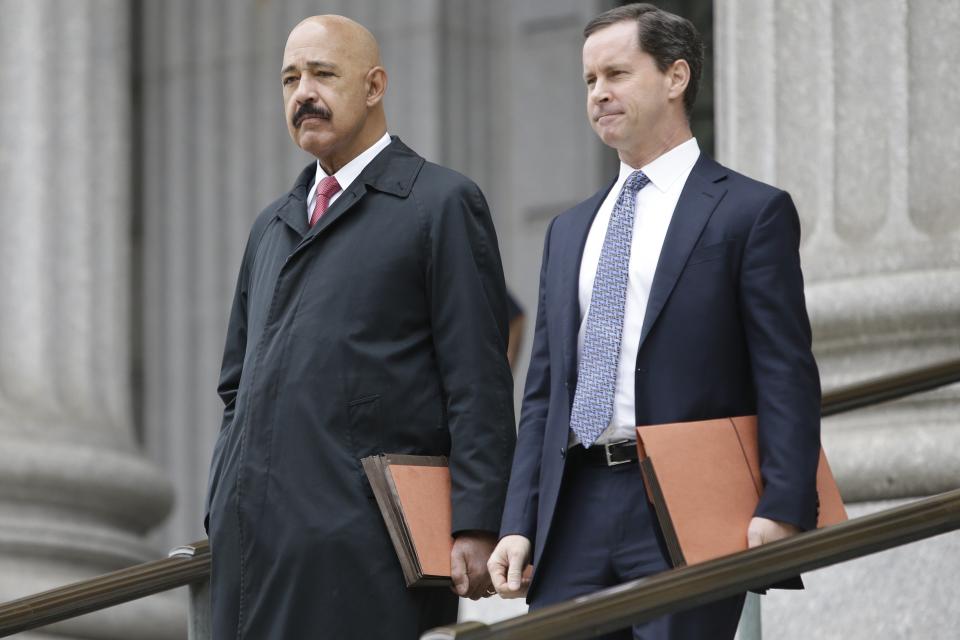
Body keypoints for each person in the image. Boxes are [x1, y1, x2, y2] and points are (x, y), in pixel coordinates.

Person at [487, 4, 821, 639]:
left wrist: (782, 505)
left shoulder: (750, 213)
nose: (599, 94)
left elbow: (785, 374)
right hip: (574, 508)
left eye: (616, 73)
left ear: (676, 77)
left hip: (687, 508)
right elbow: (543, 391)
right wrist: (518, 520)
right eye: (589, 81)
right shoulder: (569, 230)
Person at [203, 15, 516, 640]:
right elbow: (236, 386)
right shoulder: (271, 225)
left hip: (370, 546)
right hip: (253, 548)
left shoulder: (441, 202)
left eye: (323, 73)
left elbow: (477, 377)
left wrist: (477, 522)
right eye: (290, 78)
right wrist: (222, 499)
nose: (302, 94)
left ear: (375, 86)